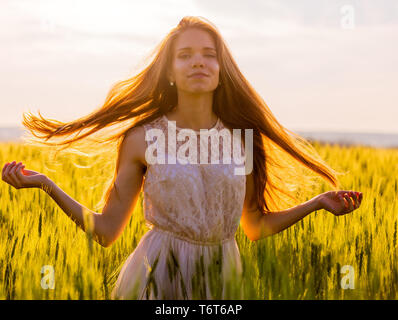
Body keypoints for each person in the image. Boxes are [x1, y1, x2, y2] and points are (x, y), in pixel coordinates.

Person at [1, 16, 362, 299]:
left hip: (223, 279)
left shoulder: (242, 139)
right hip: (157, 274)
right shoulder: (142, 138)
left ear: (222, 71)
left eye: (209, 55)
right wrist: (47, 185)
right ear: (170, 72)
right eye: (185, 56)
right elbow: (107, 231)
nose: (198, 63)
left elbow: (253, 226)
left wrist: (316, 204)